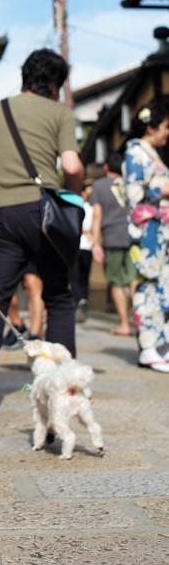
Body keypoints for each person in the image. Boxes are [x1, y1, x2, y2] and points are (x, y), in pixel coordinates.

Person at [0, 48, 84, 416]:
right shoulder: (60, 113)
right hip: (44, 213)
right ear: (56, 85)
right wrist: (75, 187)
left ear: (26, 77)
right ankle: (65, 380)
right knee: (58, 295)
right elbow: (72, 165)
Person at [123, 100, 169, 372]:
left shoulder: (150, 152)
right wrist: (162, 190)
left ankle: (160, 345)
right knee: (147, 285)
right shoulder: (135, 151)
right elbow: (135, 193)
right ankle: (149, 346)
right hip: (147, 231)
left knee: (160, 285)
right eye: (165, 127)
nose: (168, 133)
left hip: (159, 232)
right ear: (151, 126)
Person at [89, 153, 138, 335]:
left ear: (107, 167)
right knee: (134, 279)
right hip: (134, 236)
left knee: (117, 282)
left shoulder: (99, 186)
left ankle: (125, 324)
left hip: (112, 237)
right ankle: (141, 322)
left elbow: (97, 215)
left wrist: (95, 243)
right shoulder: (130, 183)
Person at [69, 186, 94, 322]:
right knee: (83, 278)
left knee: (75, 277)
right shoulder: (92, 208)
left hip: (79, 246)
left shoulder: (74, 206)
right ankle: (83, 301)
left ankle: (80, 300)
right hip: (87, 246)